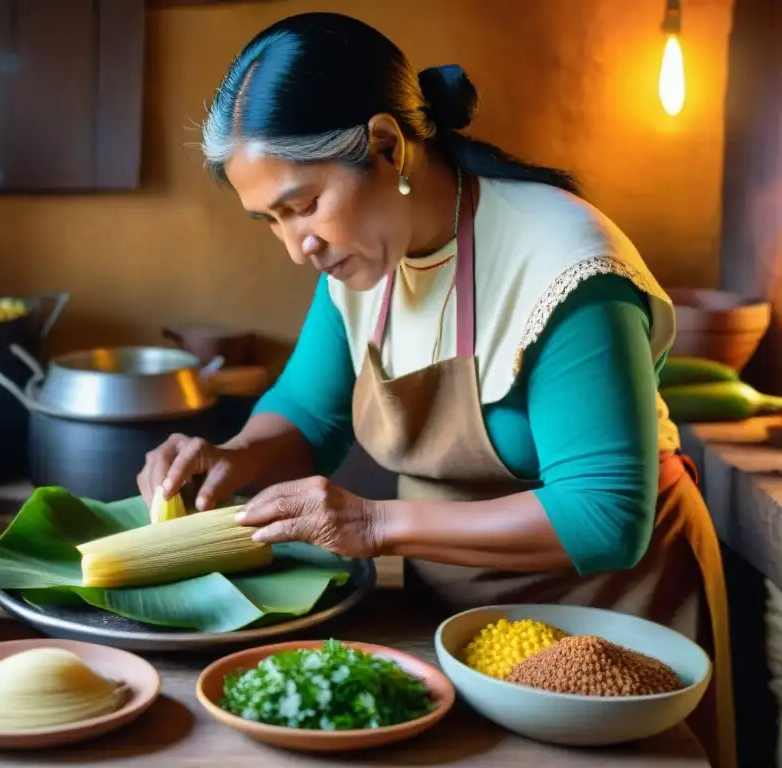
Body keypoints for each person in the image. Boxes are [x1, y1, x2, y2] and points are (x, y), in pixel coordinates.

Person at [136, 13, 733, 766]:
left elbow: (605, 513)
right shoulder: (360, 256)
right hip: (448, 619)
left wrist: (376, 525)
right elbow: (310, 412)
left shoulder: (568, 267)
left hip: (605, 621)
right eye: (270, 221)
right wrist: (232, 457)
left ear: (387, 146)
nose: (297, 247)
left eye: (305, 204)